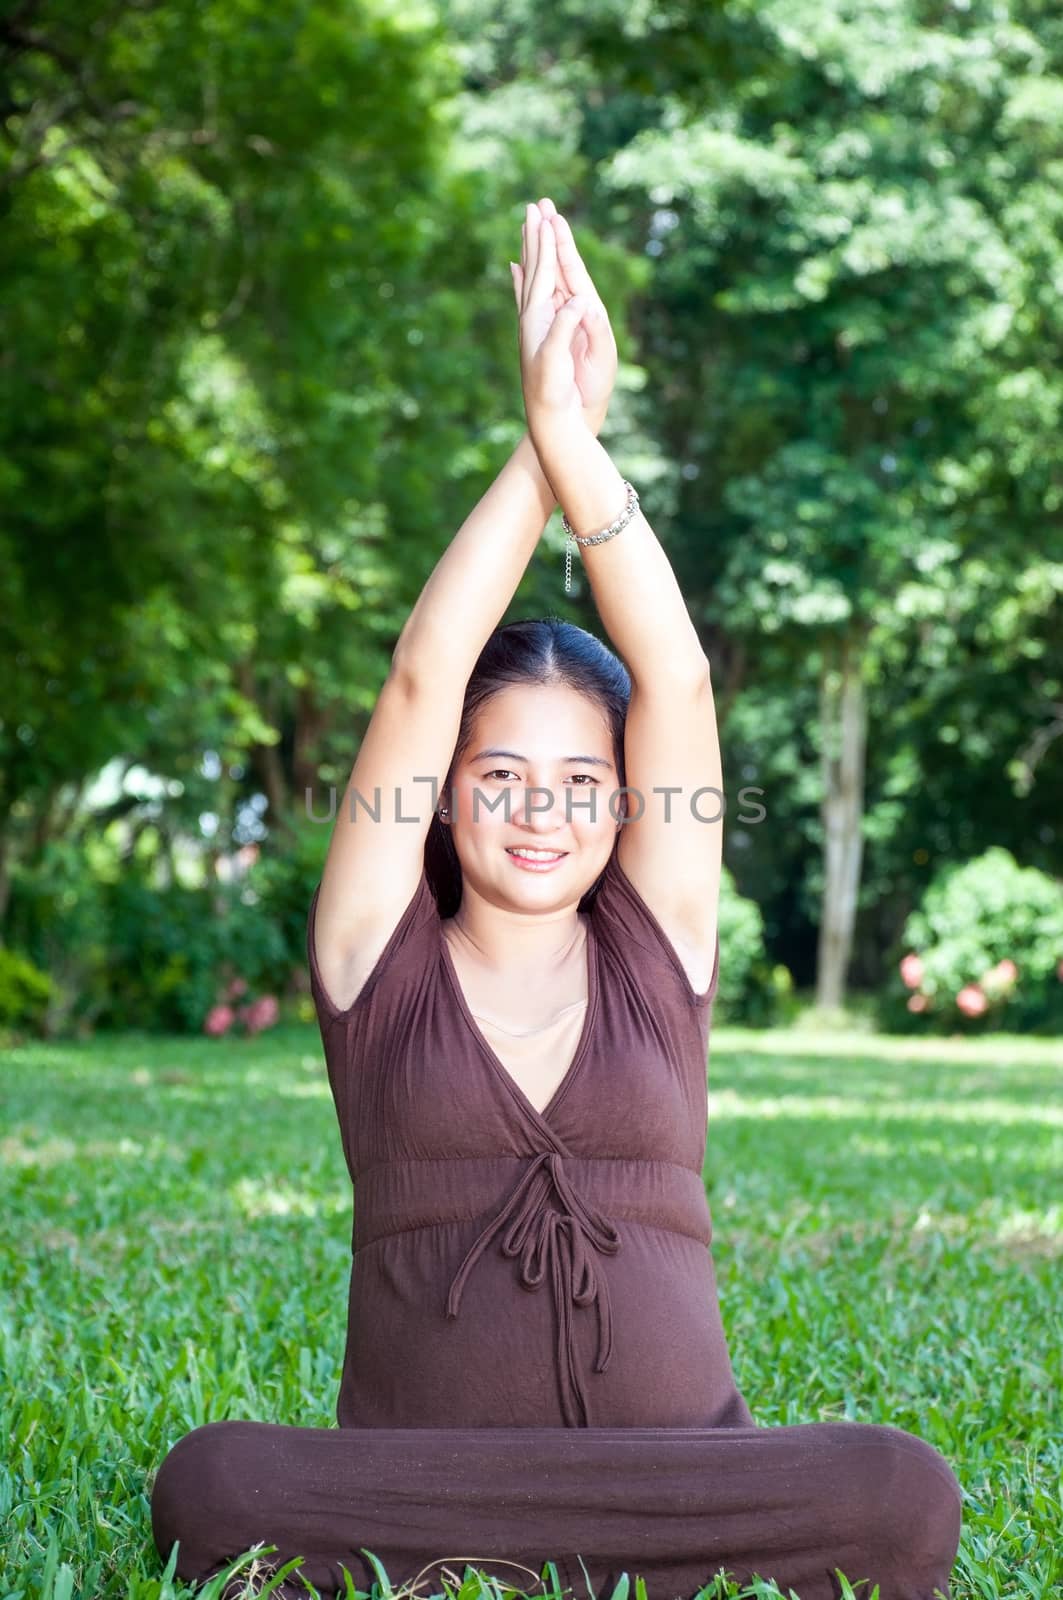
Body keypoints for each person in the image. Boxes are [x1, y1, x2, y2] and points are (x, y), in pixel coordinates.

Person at [150, 198, 964, 1600]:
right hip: (426, 1482)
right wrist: (538, 438)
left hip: (680, 1482)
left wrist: (579, 445)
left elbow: (685, 682)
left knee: (900, 1487)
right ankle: (519, 1554)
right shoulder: (374, 962)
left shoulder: (661, 948)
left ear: (627, 800)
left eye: (583, 780)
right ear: (444, 794)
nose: (544, 810)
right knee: (211, 1481)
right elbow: (421, 671)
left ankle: (551, 1561)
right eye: (502, 774)